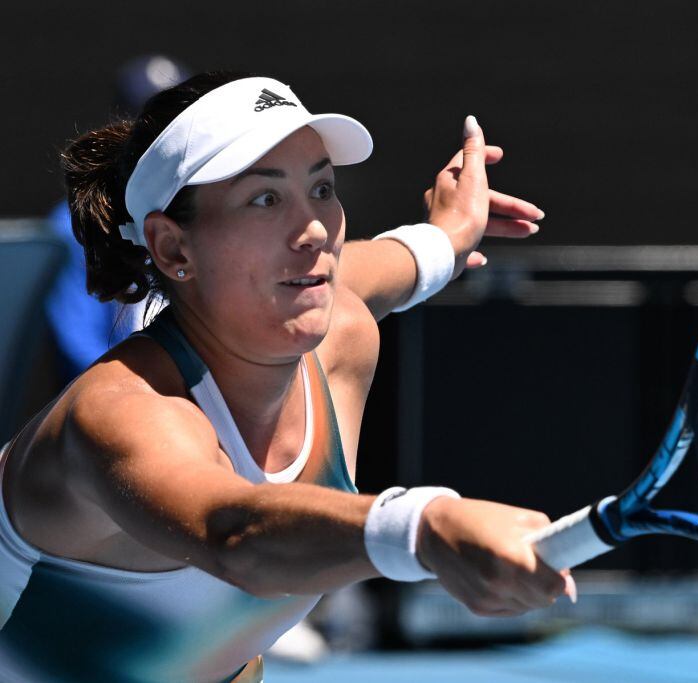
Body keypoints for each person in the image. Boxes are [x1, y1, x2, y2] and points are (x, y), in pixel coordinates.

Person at [0, 71, 570, 682]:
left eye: (322, 189)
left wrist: (450, 235)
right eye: (265, 199)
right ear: (172, 250)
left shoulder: (339, 328)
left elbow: (412, 256)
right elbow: (238, 537)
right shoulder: (122, 414)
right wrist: (426, 527)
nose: (317, 230)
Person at [44, 54, 192, 383]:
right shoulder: (72, 224)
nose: (164, 135)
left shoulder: (205, 207)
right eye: (149, 120)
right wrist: (141, 391)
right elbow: (76, 340)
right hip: (121, 395)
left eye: (177, 120)